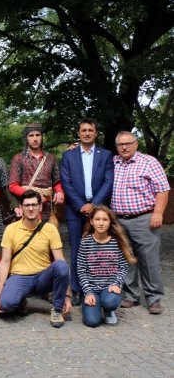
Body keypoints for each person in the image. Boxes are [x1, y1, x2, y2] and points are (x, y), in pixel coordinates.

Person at [110, 131, 170, 315]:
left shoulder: (149, 162)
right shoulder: (114, 162)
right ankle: (131, 295)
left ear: (136, 144)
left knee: (148, 260)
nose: (124, 147)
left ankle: (153, 298)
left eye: (128, 143)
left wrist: (158, 213)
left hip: (143, 218)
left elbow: (163, 189)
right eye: (120, 144)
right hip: (119, 219)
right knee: (126, 258)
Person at [0, 190, 70, 328]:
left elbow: (61, 262)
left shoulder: (50, 229)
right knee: (6, 304)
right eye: (27, 205)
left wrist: (67, 296)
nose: (31, 208)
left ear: (40, 207)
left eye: (34, 205)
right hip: (20, 277)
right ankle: (20, 299)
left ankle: (57, 309)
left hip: (43, 277)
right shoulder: (11, 229)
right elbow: (5, 263)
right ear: (21, 207)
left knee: (61, 266)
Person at [60, 118, 114, 306]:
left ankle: (95, 287)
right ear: (79, 133)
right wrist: (81, 205)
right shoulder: (69, 156)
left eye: (91, 130)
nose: (87, 133)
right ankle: (76, 289)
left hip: (99, 210)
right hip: (75, 210)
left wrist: (95, 205)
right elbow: (66, 182)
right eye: (84, 130)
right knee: (76, 250)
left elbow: (109, 181)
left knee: (98, 249)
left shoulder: (106, 155)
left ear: (96, 133)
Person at [77, 205, 136, 327]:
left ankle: (109, 309)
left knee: (110, 302)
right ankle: (93, 306)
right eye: (97, 219)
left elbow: (123, 267)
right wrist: (88, 293)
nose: (101, 223)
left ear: (110, 222)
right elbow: (81, 270)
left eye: (105, 219)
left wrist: (117, 284)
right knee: (92, 321)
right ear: (91, 221)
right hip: (91, 288)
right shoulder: (85, 242)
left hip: (109, 288)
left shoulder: (117, 241)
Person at [9, 123, 64, 223]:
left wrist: (59, 191)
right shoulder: (18, 158)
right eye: (31, 135)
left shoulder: (51, 158)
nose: (35, 139)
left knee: (47, 235)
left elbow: (56, 181)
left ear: (41, 137)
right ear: (26, 138)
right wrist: (34, 195)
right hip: (28, 205)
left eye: (38, 135)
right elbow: (13, 186)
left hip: (47, 206)